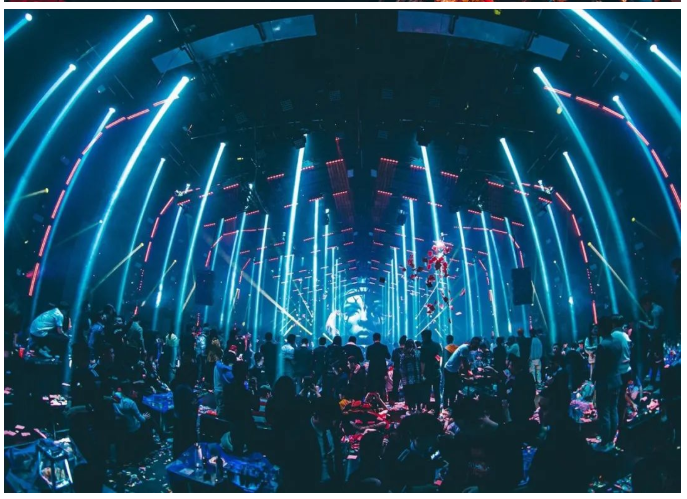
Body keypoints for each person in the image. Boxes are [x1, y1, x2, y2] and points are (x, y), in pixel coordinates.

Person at [528, 385, 593, 492]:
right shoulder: (564, 429)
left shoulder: (561, 437)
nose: (539, 412)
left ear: (558, 410)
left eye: (544, 408)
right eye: (540, 407)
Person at [281, 397, 344, 492]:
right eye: (328, 419)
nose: (331, 423)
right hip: (310, 486)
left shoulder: (330, 431)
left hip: (331, 484)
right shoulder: (299, 435)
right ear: (316, 415)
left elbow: (336, 458)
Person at [593, 315, 623, 453]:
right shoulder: (617, 342)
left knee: (604, 412)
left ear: (602, 328)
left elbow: (599, 367)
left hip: (605, 382)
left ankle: (605, 442)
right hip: (616, 380)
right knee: (613, 410)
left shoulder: (602, 345)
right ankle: (611, 439)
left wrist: (593, 379)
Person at [222, 361, 256, 455]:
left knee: (236, 452)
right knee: (249, 454)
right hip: (246, 425)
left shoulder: (227, 388)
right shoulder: (245, 393)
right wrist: (254, 389)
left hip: (233, 425)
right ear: (245, 374)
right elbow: (256, 406)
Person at [638, 294, 665, 389]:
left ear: (647, 303)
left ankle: (654, 384)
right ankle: (661, 382)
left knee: (654, 362)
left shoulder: (654, 312)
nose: (644, 309)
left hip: (656, 340)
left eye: (644, 306)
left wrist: (643, 323)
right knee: (658, 362)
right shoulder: (659, 308)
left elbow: (655, 328)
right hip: (659, 339)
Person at [505, 355, 535, 427]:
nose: (508, 367)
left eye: (510, 365)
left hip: (520, 409)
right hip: (527, 407)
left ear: (514, 366)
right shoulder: (527, 375)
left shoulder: (520, 378)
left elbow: (517, 395)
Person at [419, 329, 442, 412]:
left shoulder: (423, 347)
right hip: (436, 372)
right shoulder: (437, 345)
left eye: (422, 336)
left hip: (427, 373)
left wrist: (422, 373)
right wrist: (436, 363)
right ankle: (437, 409)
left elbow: (422, 362)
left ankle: (427, 409)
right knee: (437, 391)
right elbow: (439, 357)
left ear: (425, 336)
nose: (422, 338)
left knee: (427, 391)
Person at [366, 332, 391, 400]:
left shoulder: (370, 348)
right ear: (380, 338)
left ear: (373, 339)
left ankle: (372, 401)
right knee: (381, 387)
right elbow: (388, 357)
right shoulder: (384, 347)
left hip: (372, 370)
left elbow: (367, 358)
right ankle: (382, 401)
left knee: (373, 386)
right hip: (382, 370)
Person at [399, 340, 422, 412]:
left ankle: (411, 409)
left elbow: (402, 368)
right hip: (417, 376)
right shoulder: (418, 353)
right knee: (417, 393)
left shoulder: (403, 355)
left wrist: (402, 378)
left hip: (407, 378)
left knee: (409, 394)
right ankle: (418, 408)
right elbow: (421, 364)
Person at [214, 350, 235, 419]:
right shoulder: (225, 369)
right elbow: (230, 380)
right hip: (222, 391)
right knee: (222, 410)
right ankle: (220, 422)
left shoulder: (217, 366)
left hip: (216, 389)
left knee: (219, 407)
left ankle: (218, 420)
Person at [390, 335, 407, 403]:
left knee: (395, 386)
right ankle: (406, 400)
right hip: (404, 371)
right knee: (405, 386)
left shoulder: (395, 350)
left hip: (396, 370)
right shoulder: (407, 351)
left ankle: (395, 400)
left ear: (399, 343)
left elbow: (392, 360)